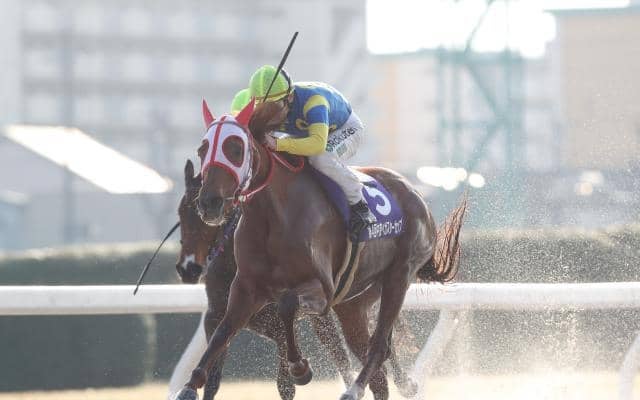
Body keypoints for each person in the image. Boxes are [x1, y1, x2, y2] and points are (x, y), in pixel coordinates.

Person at [248, 65, 376, 241]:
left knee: (320, 158)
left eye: (274, 107)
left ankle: (359, 204)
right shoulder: (275, 105)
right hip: (307, 131)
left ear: (289, 98)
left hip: (344, 129)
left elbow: (317, 144)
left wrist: (278, 143)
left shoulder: (314, 101)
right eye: (262, 108)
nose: (269, 115)